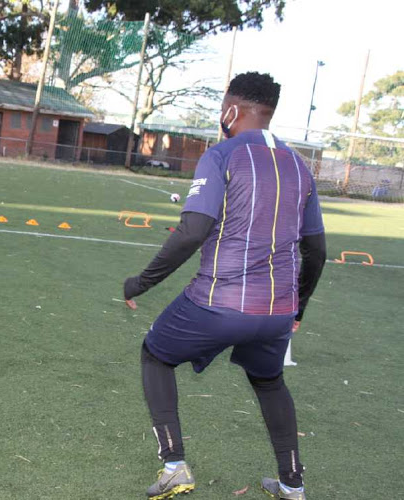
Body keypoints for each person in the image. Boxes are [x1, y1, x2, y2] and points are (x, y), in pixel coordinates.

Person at [123, 72, 326, 500]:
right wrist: (298, 309)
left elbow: (192, 231)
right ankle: (293, 485)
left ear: (233, 110)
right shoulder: (301, 167)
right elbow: (317, 251)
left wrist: (141, 282)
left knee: (154, 355)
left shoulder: (221, 156)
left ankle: (174, 465)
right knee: (269, 382)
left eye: (222, 108)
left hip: (218, 302)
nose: (221, 116)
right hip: (277, 311)